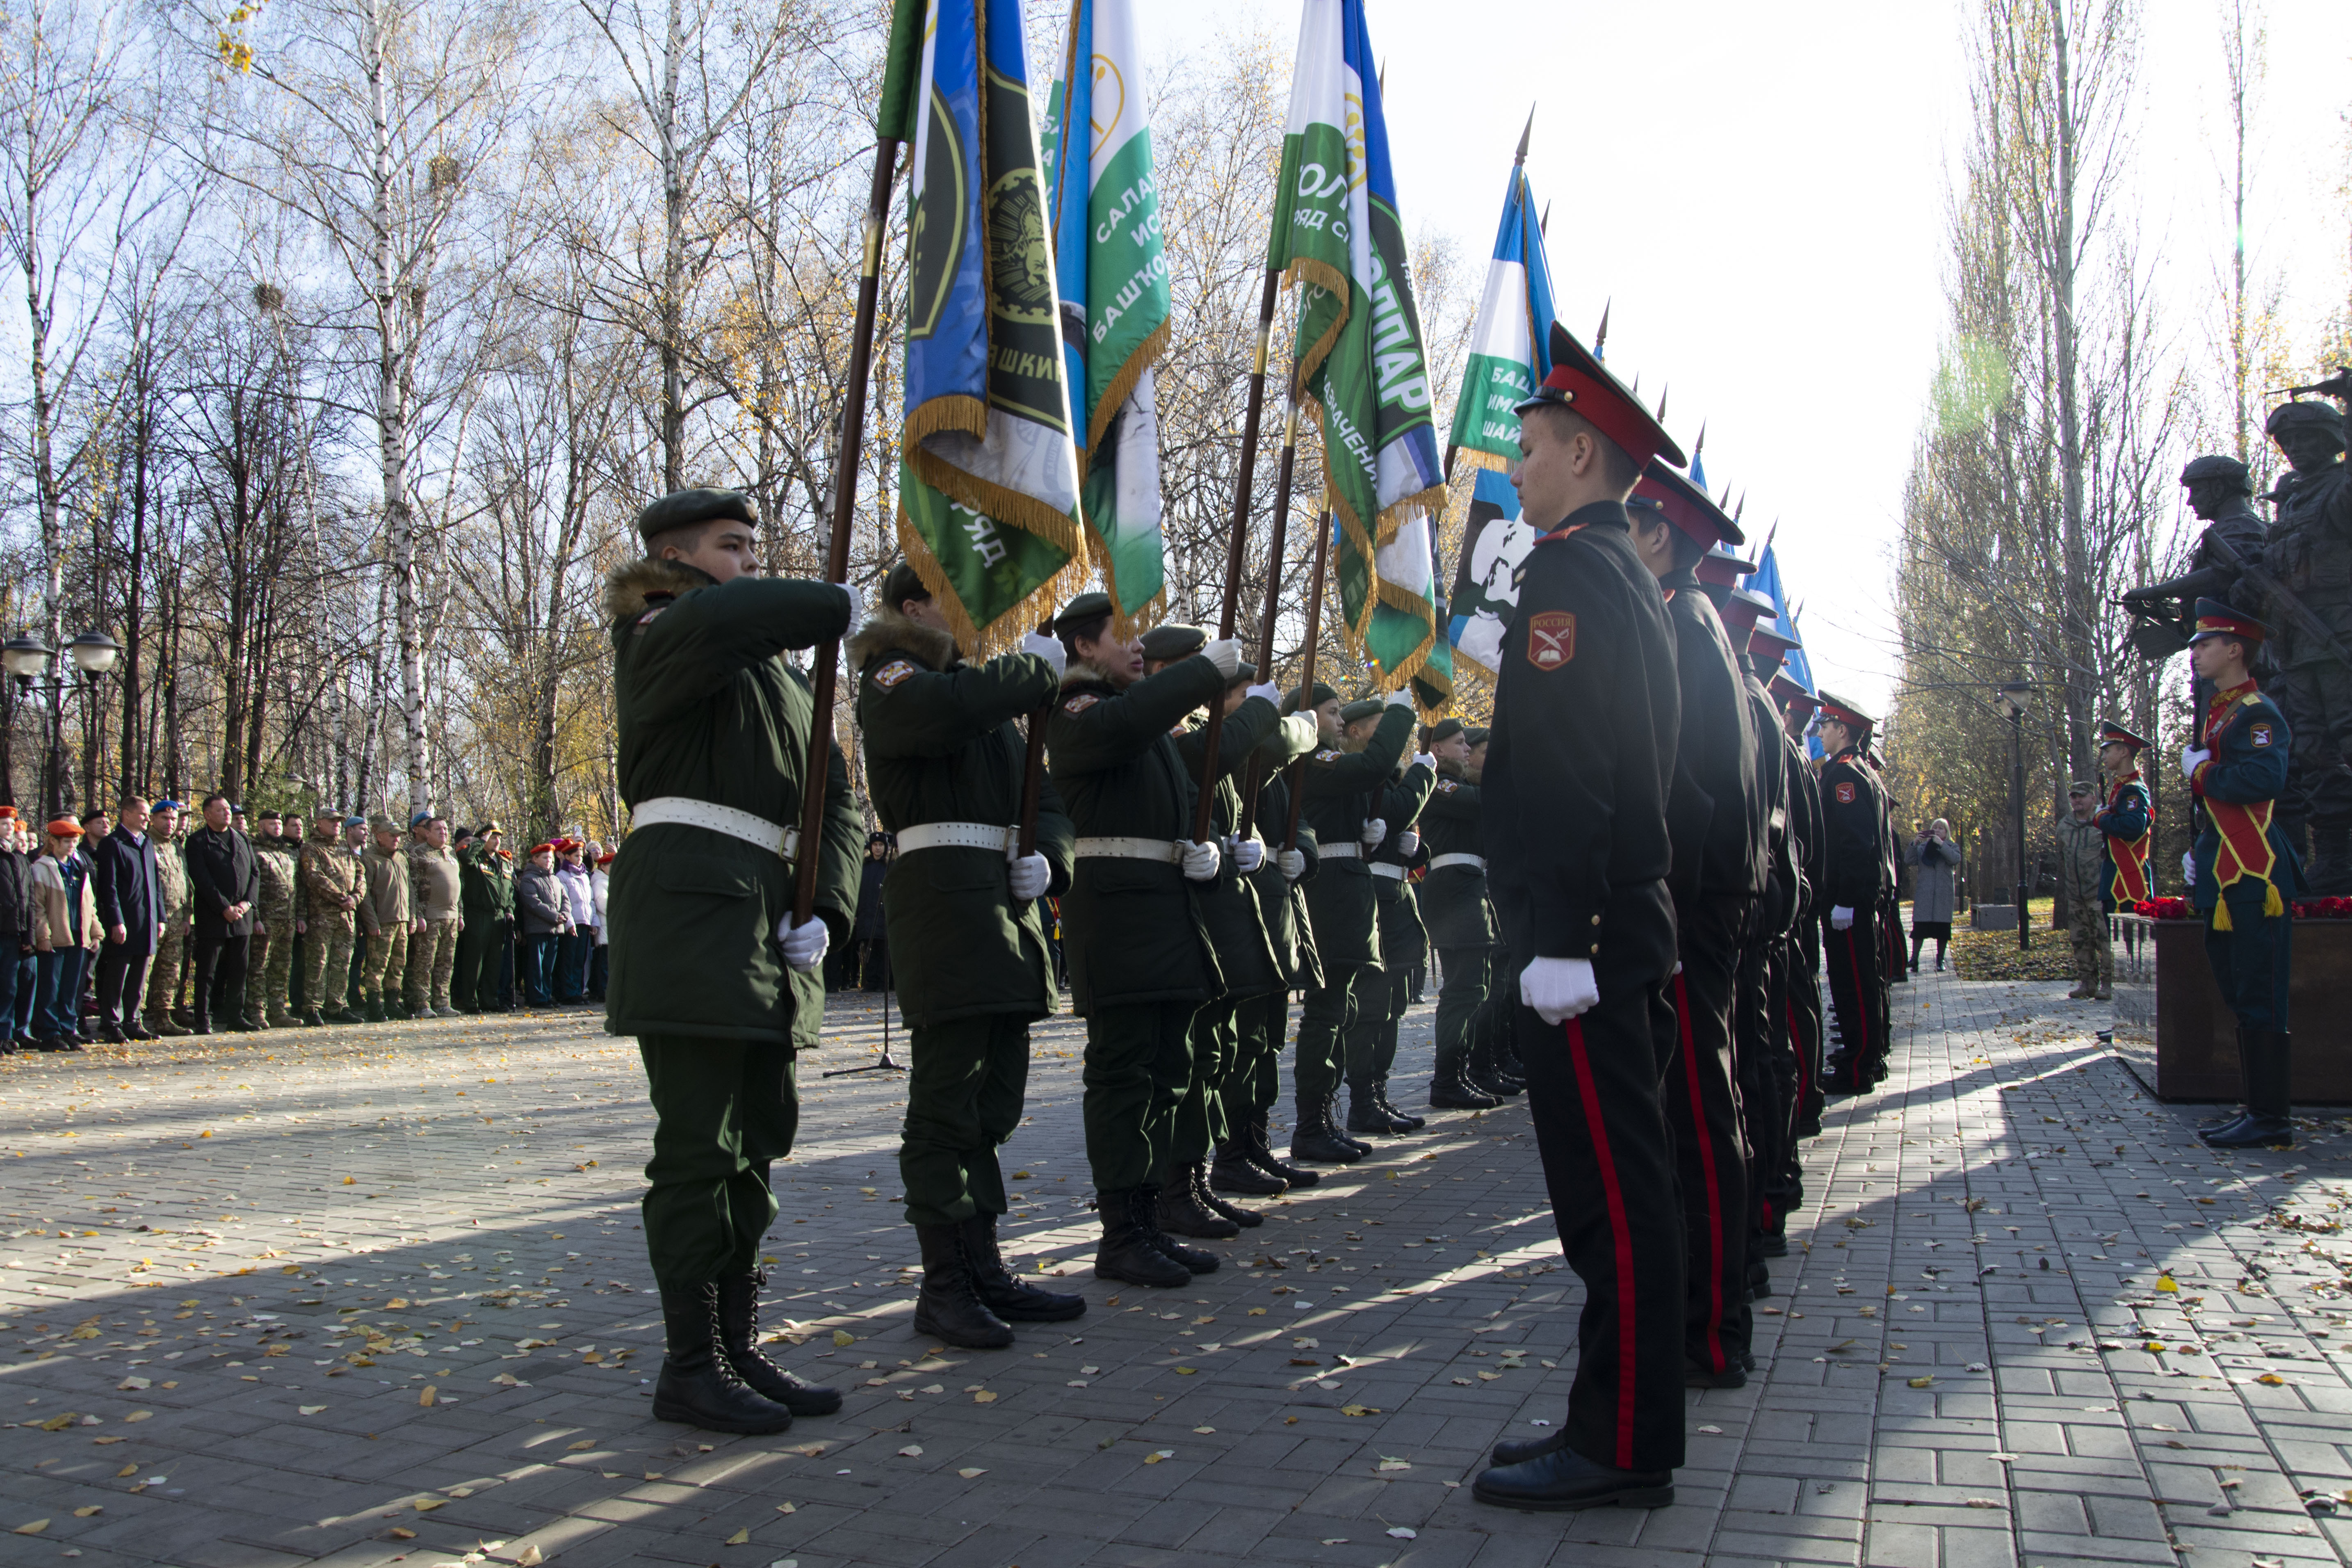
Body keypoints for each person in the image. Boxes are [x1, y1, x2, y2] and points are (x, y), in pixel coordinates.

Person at [1473, 322, 1686, 1512]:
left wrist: (1561, 932)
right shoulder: (1621, 576)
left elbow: (1565, 770)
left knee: (1611, 1199)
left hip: (1588, 943)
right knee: (1621, 1193)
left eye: (1531, 447)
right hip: (1619, 928)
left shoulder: (1564, 572)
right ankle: (1609, 1419)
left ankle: (1619, 1440)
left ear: (1583, 456)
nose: (1514, 466)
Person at [602, 486, 859, 1434]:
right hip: (690, 913)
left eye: (755, 545)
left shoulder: (785, 679)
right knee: (699, 1150)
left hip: (766, 920)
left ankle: (736, 1346)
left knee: (754, 1145)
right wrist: (829, 603)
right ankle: (689, 1363)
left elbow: (835, 798)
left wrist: (827, 904)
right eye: (731, 544)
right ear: (673, 557)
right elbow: (731, 616)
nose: (751, 559)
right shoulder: (662, 627)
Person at [848, 559, 1084, 1349]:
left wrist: (1050, 856)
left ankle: (983, 1266)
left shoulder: (990, 700)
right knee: (947, 1105)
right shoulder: (895, 676)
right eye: (959, 601)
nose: (981, 617)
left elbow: (1045, 798)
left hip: (1004, 911)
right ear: (914, 607)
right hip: (946, 905)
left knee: (993, 1101)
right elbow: (947, 710)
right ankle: (944, 1283)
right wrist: (1027, 673)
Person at [1046, 590, 1235, 1290]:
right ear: (1083, 647)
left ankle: (1151, 1221)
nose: (1139, 648)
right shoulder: (1076, 711)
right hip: (1119, 919)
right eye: (1122, 636)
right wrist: (1202, 675)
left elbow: (1176, 809)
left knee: (1166, 1072)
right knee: (1124, 1076)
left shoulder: (1144, 725)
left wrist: (1203, 860)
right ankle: (1121, 1233)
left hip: (1167, 911)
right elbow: (1119, 729)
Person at [1625, 462, 1763, 1391]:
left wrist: (1661, 895)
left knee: (1695, 1117)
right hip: (1705, 901)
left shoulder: (1679, 624)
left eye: (1626, 527)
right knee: (1701, 1106)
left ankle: (1710, 1328)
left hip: (1689, 901)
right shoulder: (1698, 623)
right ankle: (1712, 1301)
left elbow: (1691, 790)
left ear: (1658, 539)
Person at [1144, 625, 1304, 1235]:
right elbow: (1222, 753)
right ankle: (1170, 1190)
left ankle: (1197, 1178)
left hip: (1221, 913)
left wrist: (1256, 846)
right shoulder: (1163, 735)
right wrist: (1264, 706)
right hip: (1181, 920)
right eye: (1193, 665)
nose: (1205, 678)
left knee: (1213, 1055)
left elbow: (1253, 783)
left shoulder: (1193, 734)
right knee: (1182, 1062)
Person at [2183, 599, 2303, 1148]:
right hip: (2224, 875)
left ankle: (2271, 1118)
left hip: (2254, 879)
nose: (2195, 653)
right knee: (2237, 987)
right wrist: (2200, 849)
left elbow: (2260, 779)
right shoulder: (2221, 712)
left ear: (2234, 648)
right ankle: (2254, 1106)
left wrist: (2202, 771)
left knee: (2260, 993)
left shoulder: (2256, 713)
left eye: (2204, 643)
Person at [1290, 686, 1418, 1163]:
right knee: (1326, 1014)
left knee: (1339, 1011)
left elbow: (1368, 783)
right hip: (1330, 897)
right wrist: (1401, 715)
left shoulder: (1326, 760)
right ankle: (1310, 1124)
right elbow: (1371, 766)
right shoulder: (1310, 758)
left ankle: (1324, 1118)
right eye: (1332, 712)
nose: (1340, 720)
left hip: (1347, 895)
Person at [1213, 718, 1324, 1195]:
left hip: (1276, 912)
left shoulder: (1277, 773)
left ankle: (1255, 1145)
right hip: (1242, 918)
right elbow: (1267, 751)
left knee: (1265, 1042)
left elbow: (1297, 821)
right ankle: (1231, 1155)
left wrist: (1307, 851)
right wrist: (1304, 727)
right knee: (1242, 1047)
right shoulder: (1231, 751)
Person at [2253, 403, 2352, 889]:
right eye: (2287, 442)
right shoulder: (2289, 500)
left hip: (2338, 637)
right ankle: (2334, 856)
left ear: (2331, 439)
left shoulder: (2338, 487)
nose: (2294, 450)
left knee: (2348, 734)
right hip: (2296, 647)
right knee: (2311, 750)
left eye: (2306, 439)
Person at [1358, 728, 1438, 1135]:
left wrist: (1414, 849)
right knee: (1370, 1010)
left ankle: (1378, 1092)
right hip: (1372, 902)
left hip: (1398, 900)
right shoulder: (1355, 775)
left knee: (1393, 1008)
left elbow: (1404, 832)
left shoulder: (1391, 779)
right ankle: (1361, 1101)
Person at [1815, 694, 1894, 1093]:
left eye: (1825, 726)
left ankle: (1858, 1064)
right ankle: (1870, 1056)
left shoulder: (1844, 774)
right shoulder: (1863, 771)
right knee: (1867, 977)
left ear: (1842, 730)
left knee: (1852, 982)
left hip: (1850, 898)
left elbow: (1854, 842)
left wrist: (1844, 898)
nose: (1820, 732)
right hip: (1863, 897)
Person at [1418, 719, 1498, 1109]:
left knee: (1474, 988)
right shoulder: (1438, 783)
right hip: (1453, 891)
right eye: (1460, 743)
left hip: (1470, 888)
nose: (1468, 750)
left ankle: (1461, 1072)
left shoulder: (1463, 784)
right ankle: (1446, 1079)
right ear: (1438, 749)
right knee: (1461, 990)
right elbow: (1481, 806)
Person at [90, 795, 164, 1044]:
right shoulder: (113, 843)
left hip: (147, 919)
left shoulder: (147, 842)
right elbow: (108, 887)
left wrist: (160, 917)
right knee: (118, 974)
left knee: (140, 974)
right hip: (125, 920)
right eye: (143, 814)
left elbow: (156, 884)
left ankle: (132, 1021)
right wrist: (116, 920)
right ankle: (111, 1023)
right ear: (127, 814)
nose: (147, 819)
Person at [185, 795, 261, 1036]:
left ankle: (236, 1016)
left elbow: (255, 874)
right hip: (214, 916)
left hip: (242, 916)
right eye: (221, 810)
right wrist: (224, 908)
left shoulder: (242, 839)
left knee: (240, 969)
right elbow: (202, 879)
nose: (227, 813)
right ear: (207, 814)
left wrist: (247, 904)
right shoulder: (198, 841)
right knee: (208, 970)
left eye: (228, 809)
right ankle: (204, 1018)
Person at [2093, 720, 2154, 985]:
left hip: (2127, 881)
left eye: (2108, 750)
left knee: (2132, 950)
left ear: (2124, 752)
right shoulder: (2121, 788)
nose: (2104, 756)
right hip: (2115, 878)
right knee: (2121, 951)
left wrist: (2101, 819)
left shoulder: (2133, 790)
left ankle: (2134, 1011)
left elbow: (2132, 826)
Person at [297, 808, 363, 1027]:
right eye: (332, 821)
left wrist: (356, 897)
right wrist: (341, 897)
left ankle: (337, 1005)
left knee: (342, 962)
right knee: (319, 962)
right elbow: (314, 877)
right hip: (322, 915)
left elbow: (360, 872)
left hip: (347, 914)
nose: (337, 825)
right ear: (319, 822)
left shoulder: (345, 847)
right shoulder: (311, 848)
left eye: (339, 822)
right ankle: (313, 1007)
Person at [406, 813, 465, 1018]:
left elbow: (458, 885)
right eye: (438, 830)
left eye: (446, 829)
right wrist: (418, 916)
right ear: (427, 832)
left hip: (451, 916)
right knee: (425, 963)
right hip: (430, 916)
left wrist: (460, 915)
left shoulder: (450, 853)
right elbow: (413, 887)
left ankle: (442, 1002)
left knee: (446, 962)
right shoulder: (418, 854)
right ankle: (422, 1004)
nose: (443, 833)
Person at [141, 802, 192, 1038]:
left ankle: (164, 1017)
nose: (170, 823)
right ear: (152, 819)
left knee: (171, 970)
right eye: (164, 818)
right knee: (145, 970)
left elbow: (186, 883)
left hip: (177, 918)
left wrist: (187, 915)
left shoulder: (176, 847)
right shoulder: (145, 844)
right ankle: (136, 1017)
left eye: (173, 819)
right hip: (154, 919)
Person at [2055, 783, 2110, 1002]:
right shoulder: (2065, 825)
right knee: (2080, 941)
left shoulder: (2103, 822)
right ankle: (2087, 983)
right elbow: (2062, 855)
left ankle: (2109, 983)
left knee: (2105, 940)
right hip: (2075, 894)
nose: (2077, 801)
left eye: (2081, 797)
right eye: (2073, 797)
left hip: (2099, 893)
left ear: (2093, 798)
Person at [246, 809, 299, 1028]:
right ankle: (257, 1010)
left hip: (287, 919)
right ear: (261, 827)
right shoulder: (255, 851)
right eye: (272, 824)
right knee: (259, 967)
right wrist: (256, 918)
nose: (277, 827)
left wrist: (298, 916)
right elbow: (251, 888)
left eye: (279, 824)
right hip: (266, 920)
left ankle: (277, 1009)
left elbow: (297, 888)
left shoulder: (288, 853)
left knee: (281, 967)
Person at [454, 822, 515, 1012]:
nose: (497, 841)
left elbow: (510, 891)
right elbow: (464, 858)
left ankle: (490, 999)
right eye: (493, 837)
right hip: (478, 914)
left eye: (499, 838)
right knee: (475, 960)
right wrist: (480, 843)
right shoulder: (475, 857)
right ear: (483, 839)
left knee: (494, 961)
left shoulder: (503, 863)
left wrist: (509, 910)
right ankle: (470, 1001)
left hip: (498, 916)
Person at [356, 815, 412, 1021]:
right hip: (382, 922)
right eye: (392, 836)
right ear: (379, 837)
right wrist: (371, 922)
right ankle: (374, 1006)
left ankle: (392, 1004)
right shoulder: (370, 858)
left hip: (402, 920)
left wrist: (411, 916)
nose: (397, 840)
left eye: (399, 836)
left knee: (398, 965)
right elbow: (366, 895)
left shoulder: (402, 858)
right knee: (378, 965)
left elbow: (410, 889)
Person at [1906, 820, 1961, 972]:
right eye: (1934, 828)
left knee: (1942, 929)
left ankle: (1940, 960)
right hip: (1925, 893)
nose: (1937, 831)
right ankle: (1914, 959)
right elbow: (1909, 861)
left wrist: (1942, 846)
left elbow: (1955, 860)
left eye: (1941, 828)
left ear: (1947, 831)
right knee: (1920, 928)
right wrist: (1914, 844)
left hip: (1943, 894)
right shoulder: (1923, 847)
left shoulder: (1952, 846)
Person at [516, 842, 566, 1006]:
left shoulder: (555, 879)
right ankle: (536, 997)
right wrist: (555, 916)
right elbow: (533, 903)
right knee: (536, 966)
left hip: (554, 929)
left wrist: (564, 915)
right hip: (537, 928)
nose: (549, 861)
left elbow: (565, 900)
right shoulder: (529, 879)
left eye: (551, 858)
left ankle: (546, 994)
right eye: (545, 858)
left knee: (548, 966)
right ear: (535, 859)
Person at [0, 809, 34, 1052]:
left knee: (9, 986)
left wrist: (28, 934)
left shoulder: (20, 858)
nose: (10, 827)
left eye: (12, 823)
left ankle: (6, 1034)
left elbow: (28, 899)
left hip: (14, 931)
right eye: (4, 824)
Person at [589, 847, 612, 1002]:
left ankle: (604, 989)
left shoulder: (608, 881)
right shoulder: (600, 882)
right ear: (602, 866)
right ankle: (602, 990)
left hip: (609, 926)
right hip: (605, 926)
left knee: (606, 961)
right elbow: (603, 904)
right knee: (603, 961)